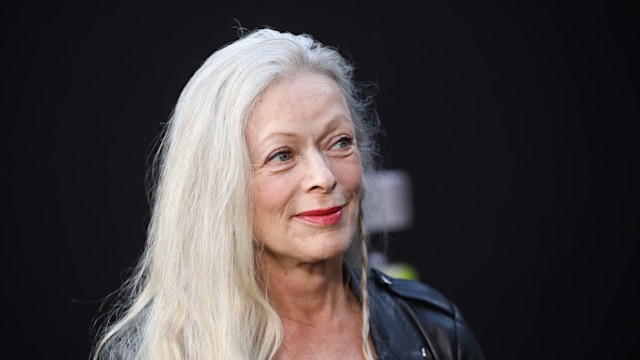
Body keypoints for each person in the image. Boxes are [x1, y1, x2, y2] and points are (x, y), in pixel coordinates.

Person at [90, 26, 485, 360]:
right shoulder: (161, 351)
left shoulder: (433, 331)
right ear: (218, 185)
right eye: (282, 155)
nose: (323, 176)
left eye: (340, 142)